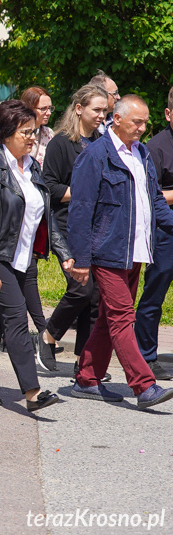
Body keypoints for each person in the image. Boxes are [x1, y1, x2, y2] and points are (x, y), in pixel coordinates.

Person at [0, 100, 70, 412]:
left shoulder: (33, 166)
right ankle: (33, 392)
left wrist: (64, 254)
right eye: (26, 132)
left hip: (24, 257)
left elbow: (45, 216)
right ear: (7, 133)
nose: (32, 138)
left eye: (34, 132)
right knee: (16, 320)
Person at [68, 95, 173, 410]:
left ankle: (87, 378)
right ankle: (143, 385)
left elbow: (154, 202)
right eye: (136, 122)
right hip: (107, 251)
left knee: (107, 319)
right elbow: (80, 210)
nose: (142, 128)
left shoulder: (140, 153)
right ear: (116, 119)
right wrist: (82, 259)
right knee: (122, 317)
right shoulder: (95, 156)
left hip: (135, 251)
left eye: (145, 122)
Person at [41, 85, 107, 373]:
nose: (102, 116)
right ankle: (48, 335)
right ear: (79, 108)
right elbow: (49, 187)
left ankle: (85, 362)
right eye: (97, 110)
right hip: (67, 224)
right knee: (81, 289)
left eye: (105, 110)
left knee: (94, 298)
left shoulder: (102, 144)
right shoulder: (61, 143)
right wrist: (83, 192)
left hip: (97, 227)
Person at [134, 88, 173, 381]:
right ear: (169, 114)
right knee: (154, 296)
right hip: (164, 232)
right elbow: (149, 193)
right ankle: (146, 355)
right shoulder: (155, 147)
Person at [21, 86, 55, 167]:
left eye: (50, 108)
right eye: (43, 109)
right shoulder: (17, 135)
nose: (49, 113)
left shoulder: (49, 133)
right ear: (29, 108)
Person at [89, 70, 120, 134]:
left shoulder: (114, 122)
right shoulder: (88, 125)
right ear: (101, 94)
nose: (118, 97)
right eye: (115, 93)